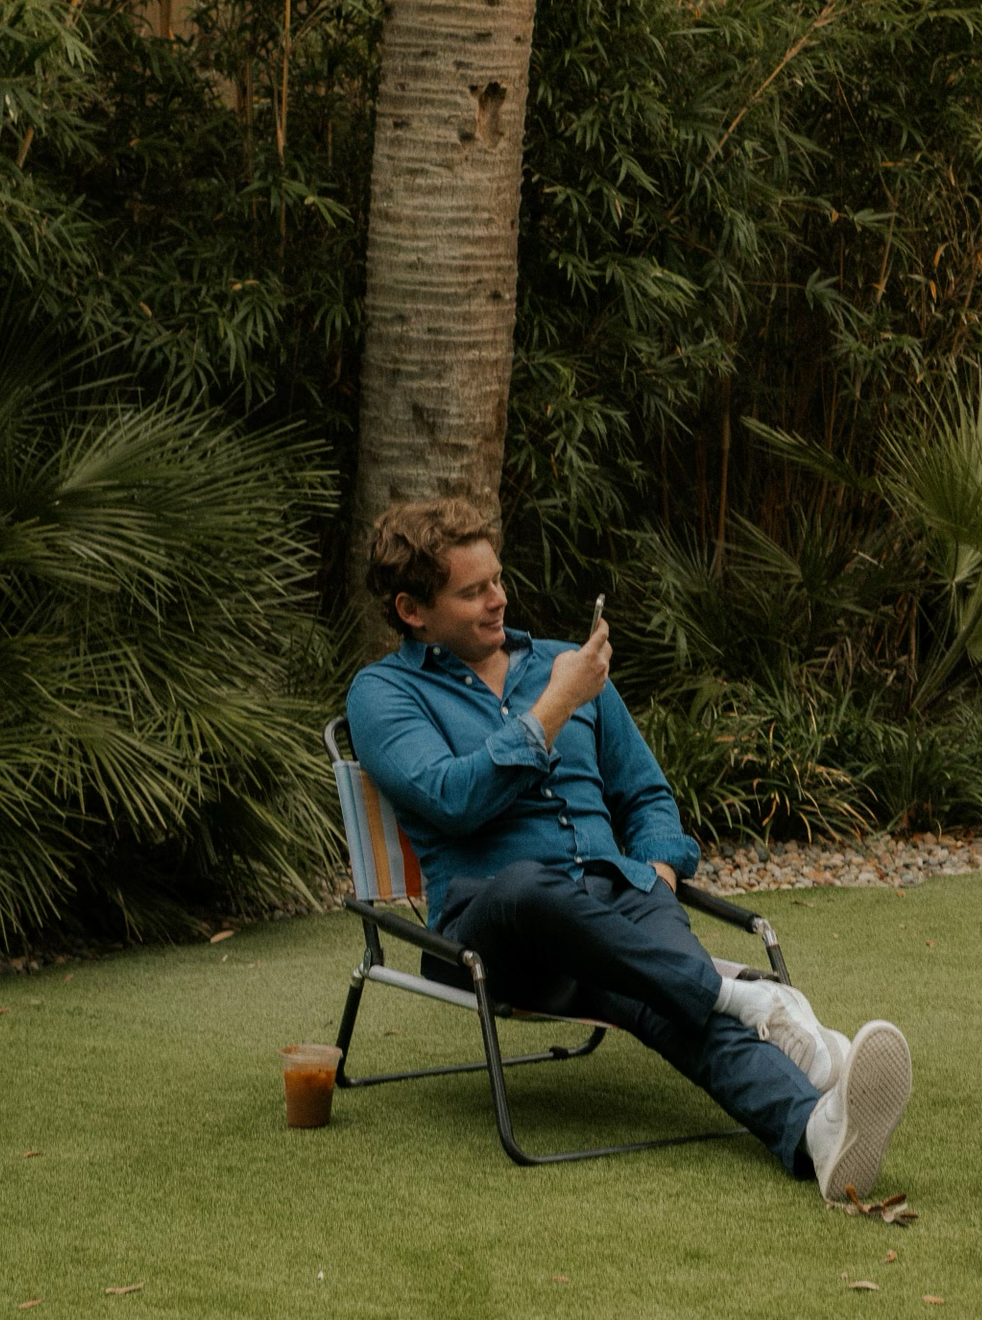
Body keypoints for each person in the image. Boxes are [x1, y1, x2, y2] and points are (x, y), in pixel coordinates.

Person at [347, 499, 912, 1204]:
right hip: (494, 929)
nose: (498, 600)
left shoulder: (560, 661)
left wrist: (661, 870)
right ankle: (742, 994)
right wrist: (557, 705)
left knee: (657, 998)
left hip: (617, 896)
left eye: (497, 579)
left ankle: (814, 1133)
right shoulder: (385, 692)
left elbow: (645, 793)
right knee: (530, 885)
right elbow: (451, 797)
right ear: (411, 609)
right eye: (472, 591)